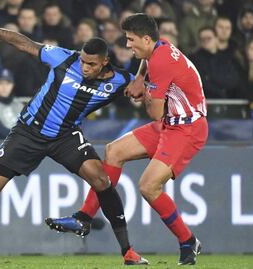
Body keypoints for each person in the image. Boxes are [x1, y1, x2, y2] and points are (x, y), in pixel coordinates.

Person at [0, 6, 148, 266]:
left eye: (91, 64)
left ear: (104, 63)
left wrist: (141, 78)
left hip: (65, 136)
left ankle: (128, 252)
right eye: (83, 61)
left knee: (102, 180)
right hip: (28, 131)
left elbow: (150, 76)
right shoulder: (63, 58)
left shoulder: (120, 80)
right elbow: (24, 43)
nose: (84, 67)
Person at [46, 13, 208, 266]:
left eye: (131, 40)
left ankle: (188, 241)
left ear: (145, 38)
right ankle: (84, 218)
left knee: (148, 187)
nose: (128, 44)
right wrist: (140, 78)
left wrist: (142, 94)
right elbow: (149, 64)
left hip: (186, 129)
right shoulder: (159, 46)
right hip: (169, 124)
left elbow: (154, 113)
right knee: (114, 151)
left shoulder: (162, 62)